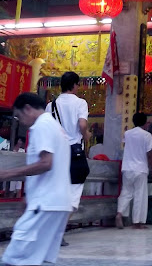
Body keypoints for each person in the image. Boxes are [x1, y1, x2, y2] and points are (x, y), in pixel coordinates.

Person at [0, 93, 71, 266]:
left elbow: (46, 163)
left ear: (27, 108)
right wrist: (28, 196)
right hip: (58, 202)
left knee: (16, 255)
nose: (20, 121)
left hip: (46, 201)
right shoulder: (55, 126)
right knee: (41, 257)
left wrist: (6, 174)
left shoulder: (42, 126)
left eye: (19, 116)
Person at [46, 72, 91, 227]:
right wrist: (86, 135)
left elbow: (48, 130)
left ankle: (52, 226)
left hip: (56, 153)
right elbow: (82, 125)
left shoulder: (50, 106)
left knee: (58, 193)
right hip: (74, 153)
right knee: (72, 196)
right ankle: (57, 228)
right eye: (78, 84)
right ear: (74, 85)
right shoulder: (80, 103)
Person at [115, 113, 152, 229]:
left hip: (127, 167)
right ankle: (137, 222)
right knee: (140, 195)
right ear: (145, 122)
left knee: (126, 192)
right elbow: (150, 155)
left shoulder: (127, 134)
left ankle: (119, 213)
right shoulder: (147, 135)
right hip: (140, 169)